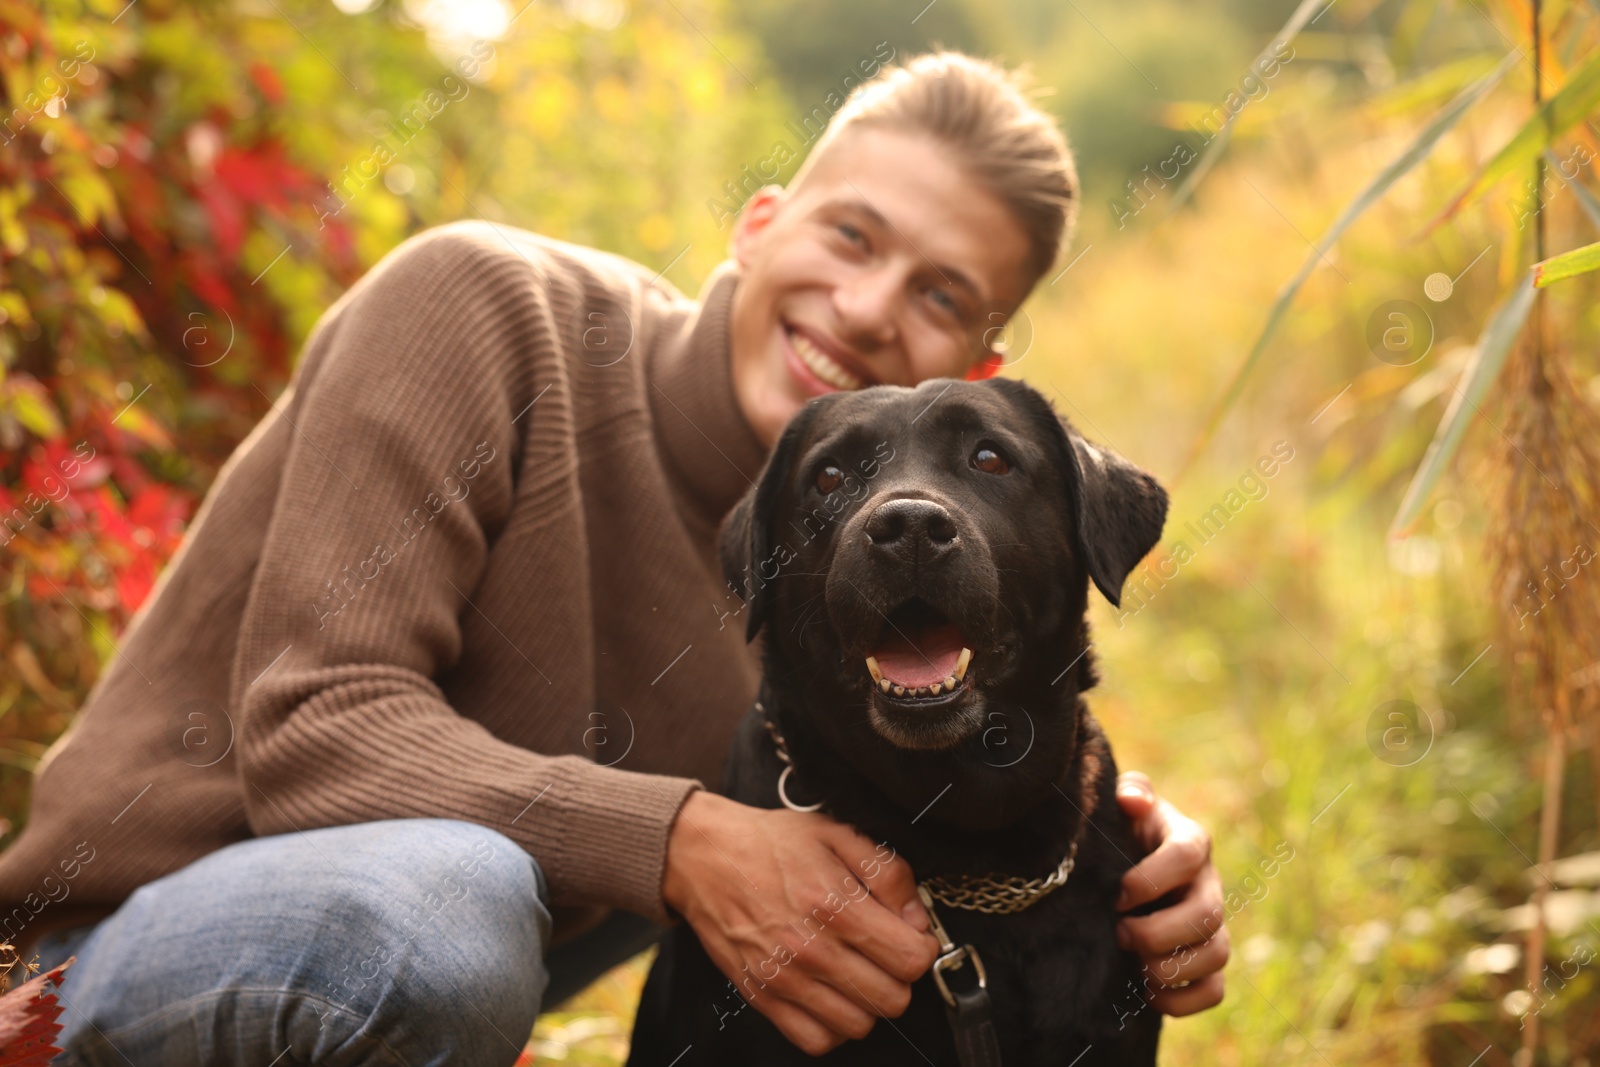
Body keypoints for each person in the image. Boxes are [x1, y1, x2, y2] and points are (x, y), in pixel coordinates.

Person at [0, 52, 1226, 1065]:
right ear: (759, 222)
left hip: (416, 969)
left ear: (979, 371)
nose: (863, 309)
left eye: (939, 296)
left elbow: (928, 764)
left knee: (472, 911)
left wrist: (1117, 838)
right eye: (850, 237)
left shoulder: (838, 582)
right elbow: (314, 726)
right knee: (450, 910)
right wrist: (682, 837)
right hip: (105, 955)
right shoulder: (483, 308)